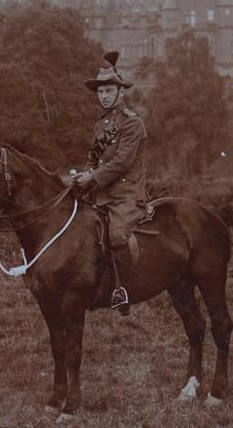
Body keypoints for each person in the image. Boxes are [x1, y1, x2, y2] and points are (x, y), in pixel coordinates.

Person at [74, 51, 147, 315]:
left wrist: (92, 178)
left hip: (126, 195)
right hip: (101, 193)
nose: (103, 96)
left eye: (108, 91)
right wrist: (83, 175)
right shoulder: (100, 124)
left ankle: (123, 289)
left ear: (121, 93)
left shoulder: (132, 124)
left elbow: (121, 164)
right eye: (100, 91)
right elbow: (92, 158)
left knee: (116, 236)